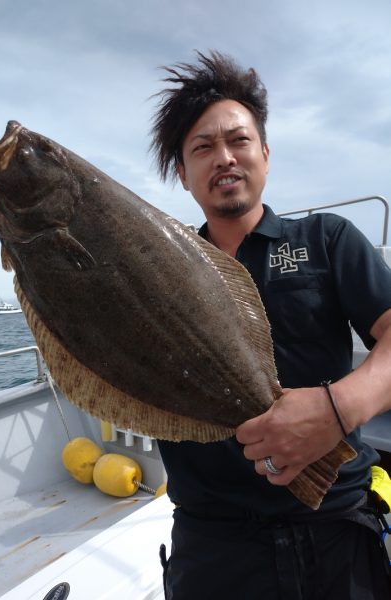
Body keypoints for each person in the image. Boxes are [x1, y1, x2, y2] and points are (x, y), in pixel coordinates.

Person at [150, 51, 391, 599]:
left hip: (335, 527)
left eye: (238, 140)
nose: (224, 158)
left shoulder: (327, 239)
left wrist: (340, 407)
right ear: (183, 174)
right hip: (212, 545)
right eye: (203, 148)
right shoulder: (166, 273)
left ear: (264, 152)